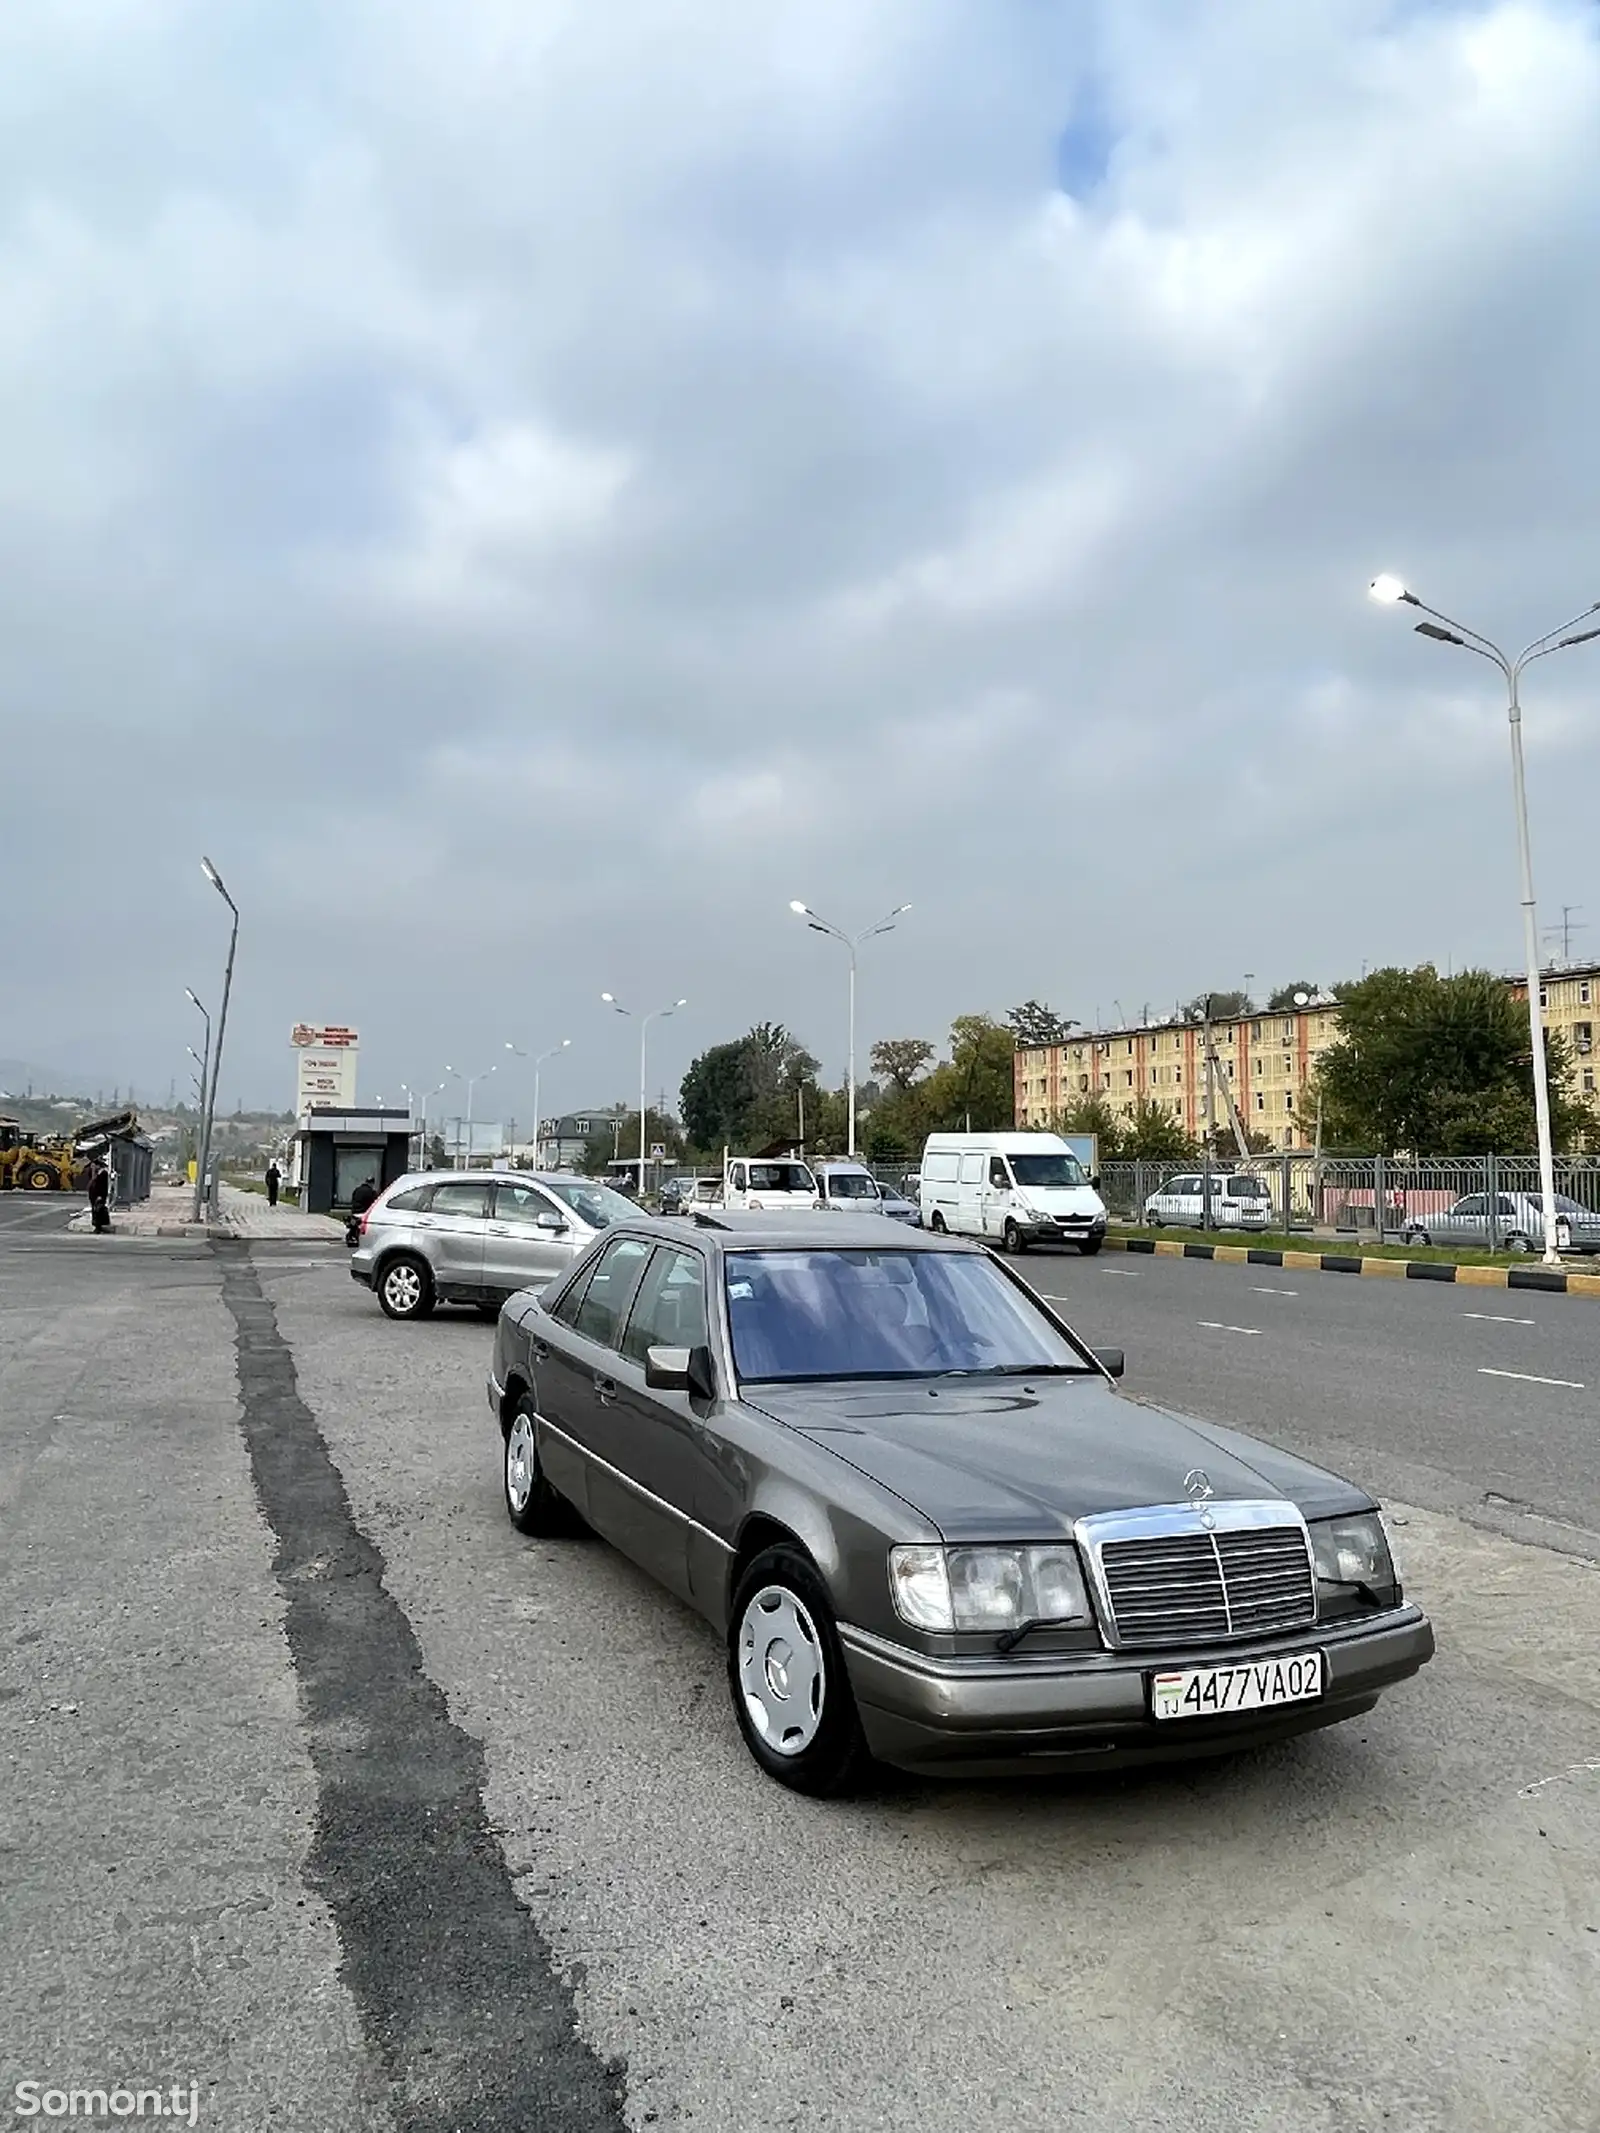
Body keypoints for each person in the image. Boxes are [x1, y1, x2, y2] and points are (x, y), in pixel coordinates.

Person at [87, 1159, 111, 1234]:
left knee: (99, 1210)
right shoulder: (93, 1172)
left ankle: (99, 1227)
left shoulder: (103, 1173)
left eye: (94, 1165)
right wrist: (93, 1170)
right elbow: (91, 1179)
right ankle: (97, 1226)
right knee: (94, 1210)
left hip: (100, 1195)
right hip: (93, 1195)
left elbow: (104, 1186)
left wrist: (101, 1195)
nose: (92, 1167)